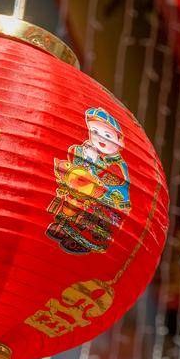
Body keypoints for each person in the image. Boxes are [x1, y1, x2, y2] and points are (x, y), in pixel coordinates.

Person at [46, 107, 133, 254]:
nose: (101, 138)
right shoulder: (88, 150)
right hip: (86, 192)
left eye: (107, 135)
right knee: (71, 199)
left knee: (89, 213)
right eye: (95, 132)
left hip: (107, 201)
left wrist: (91, 165)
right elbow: (74, 157)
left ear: (120, 141)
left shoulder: (116, 164)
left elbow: (112, 184)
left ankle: (84, 240)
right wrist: (87, 158)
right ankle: (64, 227)